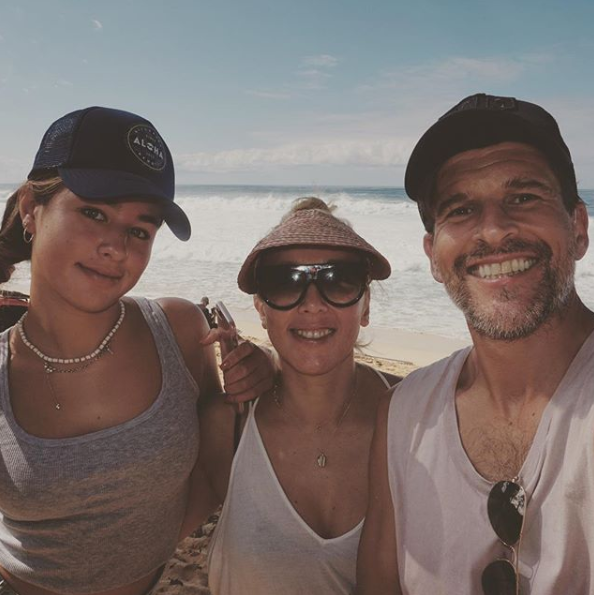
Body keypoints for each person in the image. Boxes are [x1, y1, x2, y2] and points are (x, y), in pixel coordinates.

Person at [0, 106, 270, 595]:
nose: (117, 247)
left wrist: (261, 383)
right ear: (29, 209)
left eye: (140, 231)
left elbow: (212, 464)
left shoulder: (181, 328)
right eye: (93, 212)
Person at [357, 92, 594, 594]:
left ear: (577, 227)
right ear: (434, 255)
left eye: (523, 197)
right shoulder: (402, 413)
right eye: (461, 209)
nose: (493, 230)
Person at [198, 198, 400, 594]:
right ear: (260, 307)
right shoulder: (230, 426)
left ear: (366, 306)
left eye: (339, 280)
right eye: (284, 281)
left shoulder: (414, 413)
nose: (311, 303)